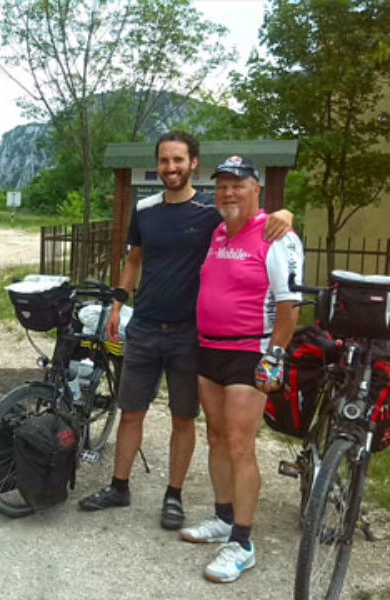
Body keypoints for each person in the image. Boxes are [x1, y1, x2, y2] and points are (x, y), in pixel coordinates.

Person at [78, 132, 293, 533]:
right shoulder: (144, 210)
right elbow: (135, 259)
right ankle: (118, 486)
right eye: (164, 161)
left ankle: (173, 495)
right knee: (131, 412)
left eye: (178, 160)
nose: (170, 168)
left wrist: (286, 215)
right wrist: (119, 303)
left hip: (190, 334)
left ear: (194, 163)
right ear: (157, 164)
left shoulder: (211, 213)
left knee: (183, 418)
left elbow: (251, 216)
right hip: (143, 326)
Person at [178, 155, 303, 583]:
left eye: (238, 185)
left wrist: (275, 356)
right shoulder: (217, 230)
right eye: (223, 185)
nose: (228, 193)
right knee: (216, 435)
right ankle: (223, 517)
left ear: (257, 190)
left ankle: (243, 542)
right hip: (209, 348)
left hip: (250, 351)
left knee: (239, 444)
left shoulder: (276, 235)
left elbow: (289, 307)